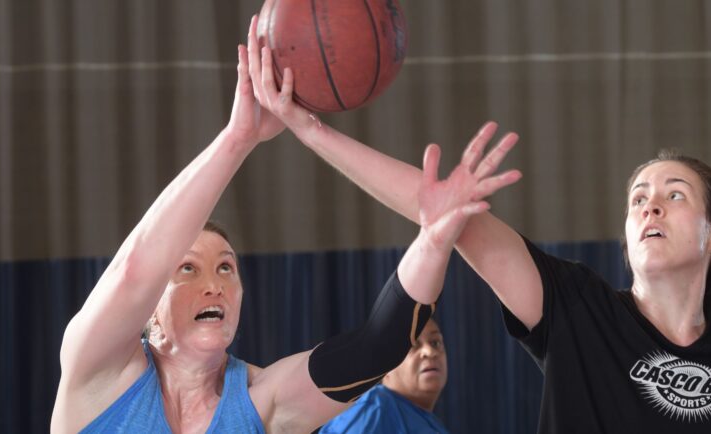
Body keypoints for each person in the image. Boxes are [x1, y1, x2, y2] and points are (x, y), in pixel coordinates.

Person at [248, 19, 711, 432]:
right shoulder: (580, 307)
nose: (650, 207)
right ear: (626, 242)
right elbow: (452, 218)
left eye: (675, 195)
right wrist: (310, 131)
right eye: (638, 199)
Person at [49, 18, 521, 434]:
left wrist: (435, 241)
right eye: (188, 269)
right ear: (150, 311)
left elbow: (377, 347)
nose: (214, 284)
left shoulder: (262, 399)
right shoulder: (98, 375)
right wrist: (239, 138)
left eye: (226, 269)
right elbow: (134, 271)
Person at [319, 319, 450, 434]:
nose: (430, 352)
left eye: (436, 343)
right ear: (384, 366)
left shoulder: (430, 422)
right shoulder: (374, 410)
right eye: (412, 345)